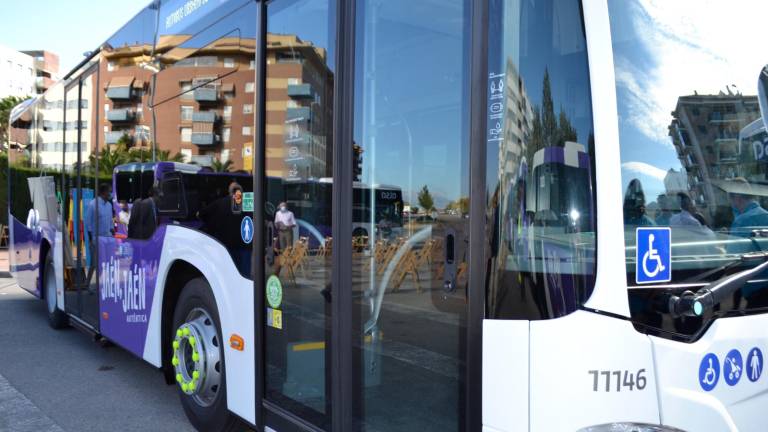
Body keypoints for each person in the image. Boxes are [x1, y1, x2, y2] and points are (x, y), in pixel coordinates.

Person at [198, 182, 250, 275]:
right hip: (245, 245)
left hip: (225, 244)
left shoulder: (220, 203)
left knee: (228, 272)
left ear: (229, 191)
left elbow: (202, 214)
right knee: (244, 274)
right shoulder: (248, 203)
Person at [85, 183, 114, 286]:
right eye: (109, 191)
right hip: (97, 238)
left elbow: (110, 221)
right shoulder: (93, 204)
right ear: (103, 192)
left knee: (109, 262)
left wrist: (112, 234)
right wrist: (91, 240)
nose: (110, 194)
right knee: (95, 263)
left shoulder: (109, 205)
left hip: (108, 237)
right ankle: (88, 284)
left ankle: (106, 284)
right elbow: (88, 223)